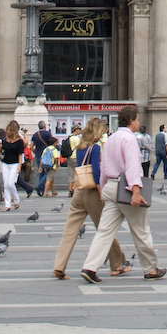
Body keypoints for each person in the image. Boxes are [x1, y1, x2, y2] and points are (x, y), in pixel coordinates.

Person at [80, 105, 166, 283]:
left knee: (104, 231)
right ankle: (150, 268)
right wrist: (136, 190)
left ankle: (90, 267)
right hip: (126, 187)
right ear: (132, 121)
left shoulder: (111, 139)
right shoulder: (129, 139)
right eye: (138, 119)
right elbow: (133, 166)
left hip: (111, 186)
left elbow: (104, 167)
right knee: (141, 230)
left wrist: (103, 189)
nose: (139, 122)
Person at [52, 117, 129, 280]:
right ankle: (116, 264)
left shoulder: (80, 146)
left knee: (69, 232)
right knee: (105, 229)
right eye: (102, 132)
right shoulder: (95, 148)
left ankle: (59, 266)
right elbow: (96, 173)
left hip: (79, 190)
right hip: (92, 192)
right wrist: (101, 194)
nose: (102, 135)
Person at [0, 119, 24, 211]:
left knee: (11, 183)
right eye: (7, 130)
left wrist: (19, 166)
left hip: (14, 163)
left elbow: (20, 154)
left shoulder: (19, 141)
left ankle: (16, 200)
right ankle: (7, 204)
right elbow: (2, 152)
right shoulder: (4, 140)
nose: (7, 132)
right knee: (6, 184)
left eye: (9, 130)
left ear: (13, 131)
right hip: (5, 163)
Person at [30, 120, 54, 196]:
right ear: (44, 126)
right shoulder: (48, 134)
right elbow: (51, 144)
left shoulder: (35, 135)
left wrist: (36, 152)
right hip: (47, 156)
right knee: (48, 173)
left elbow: (31, 146)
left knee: (41, 172)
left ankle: (42, 191)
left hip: (38, 156)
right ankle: (40, 186)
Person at [61, 125, 81, 197]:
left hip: (69, 157)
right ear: (76, 130)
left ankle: (70, 191)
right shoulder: (77, 138)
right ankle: (73, 188)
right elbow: (79, 148)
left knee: (70, 174)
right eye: (79, 129)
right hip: (75, 157)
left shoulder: (69, 138)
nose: (80, 131)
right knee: (78, 174)